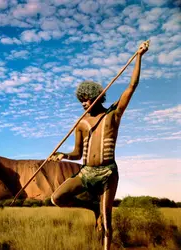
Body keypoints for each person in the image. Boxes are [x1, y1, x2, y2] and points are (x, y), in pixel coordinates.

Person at [49, 41, 148, 250]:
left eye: (86, 99)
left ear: (97, 96)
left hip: (107, 174)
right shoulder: (81, 123)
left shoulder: (113, 113)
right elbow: (77, 154)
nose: (84, 104)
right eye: (81, 101)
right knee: (56, 198)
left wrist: (139, 56)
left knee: (106, 222)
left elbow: (132, 86)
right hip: (86, 173)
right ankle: (92, 207)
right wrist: (63, 155)